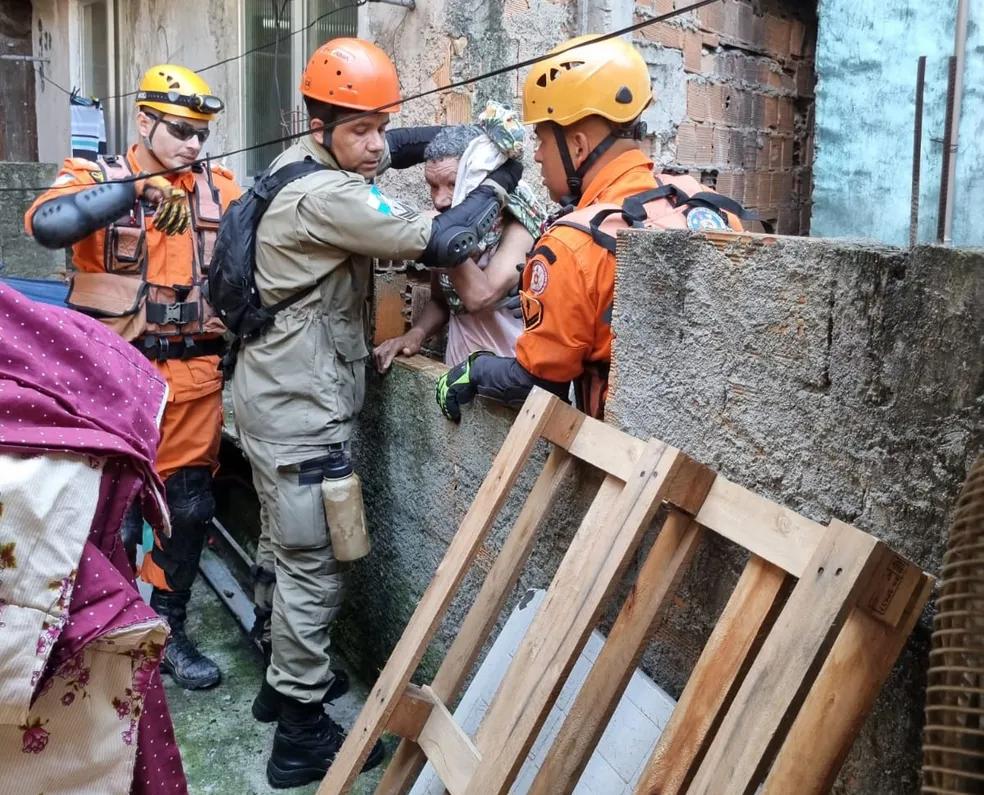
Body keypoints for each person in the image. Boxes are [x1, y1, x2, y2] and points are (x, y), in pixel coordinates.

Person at [229, 37, 521, 789]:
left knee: (280, 542)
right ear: (319, 125)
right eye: (360, 129)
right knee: (315, 565)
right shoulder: (331, 198)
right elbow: (448, 239)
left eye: (381, 126)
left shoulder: (294, 164)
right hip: (301, 412)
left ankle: (277, 683)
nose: (376, 145)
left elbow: (394, 146)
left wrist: (459, 137)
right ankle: (300, 735)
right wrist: (501, 177)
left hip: (269, 399)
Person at [24, 64, 242, 692]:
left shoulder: (220, 189)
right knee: (105, 513)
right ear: (144, 121)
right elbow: (47, 225)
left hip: (192, 375)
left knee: (190, 509)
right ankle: (97, 629)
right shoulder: (93, 176)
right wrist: (132, 190)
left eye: (202, 133)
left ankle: (166, 628)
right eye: (180, 130)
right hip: (110, 378)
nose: (193, 144)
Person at [435, 36, 749, 422]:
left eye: (542, 140)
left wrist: (476, 368)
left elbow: (536, 382)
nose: (537, 155)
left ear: (578, 147)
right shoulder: (708, 205)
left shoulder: (570, 245)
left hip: (624, 445)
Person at [373, 108, 545, 372]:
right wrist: (416, 334)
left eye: (453, 184)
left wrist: (440, 236)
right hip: (458, 374)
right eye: (433, 185)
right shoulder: (448, 227)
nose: (440, 199)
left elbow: (480, 296)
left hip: (509, 378)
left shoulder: (518, 223)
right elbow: (441, 301)